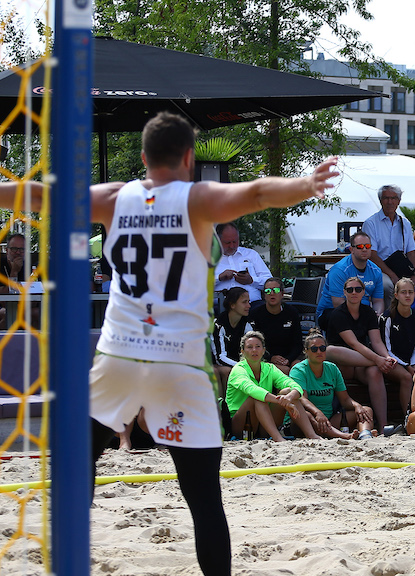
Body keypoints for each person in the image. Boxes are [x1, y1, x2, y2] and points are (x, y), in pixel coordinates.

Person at [4, 111, 340, 575]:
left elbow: (40, 196)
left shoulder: (115, 198)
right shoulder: (197, 199)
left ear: (143, 158)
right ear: (188, 158)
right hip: (180, 363)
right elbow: (260, 192)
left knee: (75, 466)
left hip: (119, 354)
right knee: (204, 500)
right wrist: (307, 183)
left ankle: (66, 560)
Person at [325, 276, 395, 432]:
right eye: (350, 290)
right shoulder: (338, 313)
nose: (354, 293)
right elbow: (353, 343)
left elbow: (376, 342)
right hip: (342, 364)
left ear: (364, 292)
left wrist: (387, 357)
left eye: (358, 289)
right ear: (344, 293)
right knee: (330, 350)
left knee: (375, 372)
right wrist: (378, 359)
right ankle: (376, 362)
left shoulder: (368, 312)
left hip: (361, 361)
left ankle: (383, 426)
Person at [226, 330, 321, 441]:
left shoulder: (269, 368)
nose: (254, 350)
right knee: (257, 397)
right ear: (242, 351)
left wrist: (288, 398)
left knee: (288, 391)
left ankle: (312, 435)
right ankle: (279, 439)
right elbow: (251, 389)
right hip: (240, 424)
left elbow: (295, 386)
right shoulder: (238, 369)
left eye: (258, 346)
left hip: (264, 424)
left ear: (263, 350)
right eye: (249, 347)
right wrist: (280, 400)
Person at [289, 328, 376, 439]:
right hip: (305, 421)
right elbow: (302, 399)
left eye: (322, 348)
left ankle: (365, 435)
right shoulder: (298, 370)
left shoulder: (332, 368)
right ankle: (345, 436)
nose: (319, 352)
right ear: (306, 351)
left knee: (366, 410)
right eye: (314, 349)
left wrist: (357, 406)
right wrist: (317, 413)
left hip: (329, 420)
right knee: (306, 415)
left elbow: (345, 400)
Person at [362, 184, 415, 304]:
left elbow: (411, 252)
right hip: (380, 270)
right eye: (386, 198)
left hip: (401, 269)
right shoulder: (371, 223)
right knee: (387, 286)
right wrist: (392, 275)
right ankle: (389, 319)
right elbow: (372, 254)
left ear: (398, 201)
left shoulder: (405, 223)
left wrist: (413, 274)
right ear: (380, 200)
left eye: (393, 198)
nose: (389, 202)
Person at [316, 230, 385, 320]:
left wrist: (378, 315)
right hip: (332, 312)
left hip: (362, 312)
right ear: (351, 249)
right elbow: (338, 303)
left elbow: (378, 301)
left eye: (367, 246)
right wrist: (363, 316)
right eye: (360, 247)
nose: (364, 249)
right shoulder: (339, 270)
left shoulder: (376, 271)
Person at [380, 277, 415, 415]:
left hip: (410, 361)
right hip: (391, 360)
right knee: (406, 377)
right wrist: (407, 366)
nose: (407, 295)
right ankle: (408, 417)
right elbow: (387, 349)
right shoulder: (387, 317)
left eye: (410, 292)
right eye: (403, 292)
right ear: (396, 295)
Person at [248, 277, 303, 374]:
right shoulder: (255, 314)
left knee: (298, 368)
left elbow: (297, 343)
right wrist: (271, 357)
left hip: (288, 356)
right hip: (265, 357)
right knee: (284, 370)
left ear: (282, 294)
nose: (272, 294)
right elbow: (254, 344)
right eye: (268, 291)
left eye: (276, 290)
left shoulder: (292, 313)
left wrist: (288, 360)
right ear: (264, 295)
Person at [213, 221, 272, 308]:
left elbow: (270, 282)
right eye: (228, 243)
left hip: (253, 305)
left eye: (235, 241)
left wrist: (252, 280)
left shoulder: (251, 254)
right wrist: (219, 278)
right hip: (220, 306)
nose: (232, 246)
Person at [211, 286, 254, 395]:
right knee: (227, 371)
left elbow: (254, 346)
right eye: (244, 302)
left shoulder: (246, 324)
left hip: (235, 362)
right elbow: (220, 358)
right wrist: (242, 366)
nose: (249, 306)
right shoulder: (218, 325)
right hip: (213, 362)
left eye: (249, 302)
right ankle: (224, 407)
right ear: (232, 305)